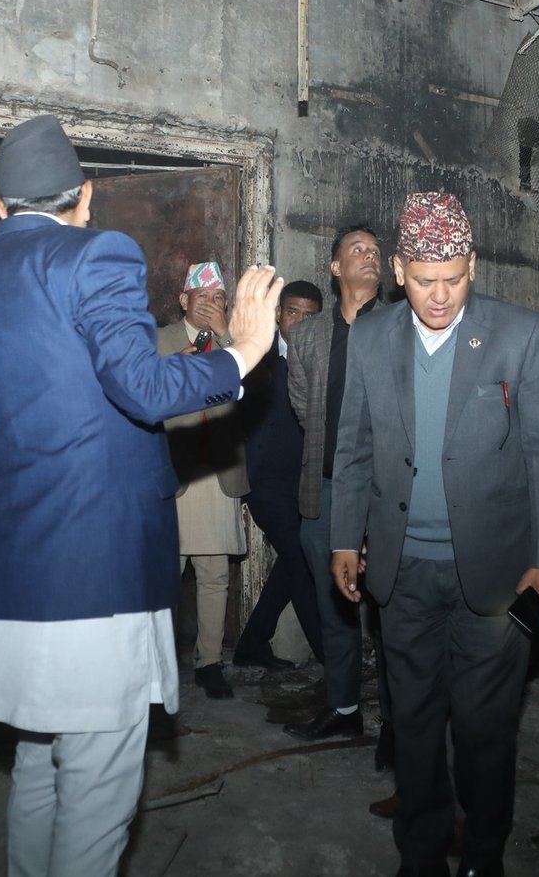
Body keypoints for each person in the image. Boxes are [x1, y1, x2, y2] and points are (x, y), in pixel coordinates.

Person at [0, 113, 282, 877]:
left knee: (38, 766)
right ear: (85, 196)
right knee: (98, 789)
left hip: (16, 570)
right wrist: (244, 351)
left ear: (0, 207)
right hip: (96, 574)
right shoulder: (98, 254)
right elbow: (143, 388)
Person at [330, 192, 539, 877]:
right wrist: (344, 536)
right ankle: (422, 855)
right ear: (399, 271)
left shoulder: (520, 334)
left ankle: (484, 854)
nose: (440, 296)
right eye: (425, 280)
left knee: (485, 729)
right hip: (402, 572)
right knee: (412, 723)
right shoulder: (371, 337)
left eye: (455, 279)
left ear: (474, 265)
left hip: (495, 577)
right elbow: (353, 446)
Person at [284, 225, 387, 744]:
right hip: (324, 491)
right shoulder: (305, 337)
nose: (370, 256)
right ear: (335, 267)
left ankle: (400, 725)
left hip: (388, 495)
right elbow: (306, 409)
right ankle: (344, 708)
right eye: (357, 250)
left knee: (391, 612)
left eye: (376, 251)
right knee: (335, 610)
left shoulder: (400, 328)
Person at [159, 261, 250, 700]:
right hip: (173, 469)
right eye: (203, 297)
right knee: (166, 574)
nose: (211, 304)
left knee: (215, 573)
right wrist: (175, 366)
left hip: (217, 470)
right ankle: (158, 662)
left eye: (219, 298)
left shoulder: (236, 342)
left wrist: (229, 337)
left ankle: (209, 663)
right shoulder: (158, 341)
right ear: (184, 300)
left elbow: (256, 385)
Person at [234, 280, 325, 672]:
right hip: (266, 484)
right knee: (301, 561)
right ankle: (333, 658)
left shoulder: (322, 357)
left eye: (309, 315)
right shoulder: (259, 354)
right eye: (293, 312)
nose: (300, 321)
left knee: (292, 562)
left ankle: (252, 643)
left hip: (305, 482)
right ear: (278, 314)